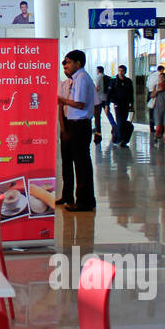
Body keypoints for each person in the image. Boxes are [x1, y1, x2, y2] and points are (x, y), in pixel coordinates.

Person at [57, 50, 97, 212]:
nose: (66, 66)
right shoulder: (74, 80)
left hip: (80, 125)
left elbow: (80, 104)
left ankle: (84, 201)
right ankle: (68, 195)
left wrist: (62, 100)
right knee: (70, 161)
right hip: (71, 124)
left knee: (81, 164)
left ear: (78, 63)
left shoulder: (82, 78)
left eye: (68, 62)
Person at [110, 64, 134, 146]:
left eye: (122, 71)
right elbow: (109, 93)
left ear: (125, 72)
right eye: (119, 70)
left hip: (126, 104)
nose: (120, 72)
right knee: (120, 122)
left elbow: (131, 93)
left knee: (123, 122)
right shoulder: (114, 81)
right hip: (118, 104)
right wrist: (108, 104)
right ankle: (119, 139)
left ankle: (121, 138)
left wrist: (132, 104)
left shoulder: (128, 81)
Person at [91, 65, 114, 144]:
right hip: (106, 98)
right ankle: (114, 125)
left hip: (99, 98)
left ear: (98, 71)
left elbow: (97, 87)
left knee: (97, 114)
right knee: (108, 112)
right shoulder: (106, 77)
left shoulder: (98, 77)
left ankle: (97, 128)